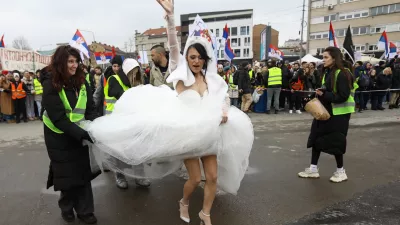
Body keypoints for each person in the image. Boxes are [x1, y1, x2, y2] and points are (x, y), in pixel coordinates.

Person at [87, 1, 253, 225]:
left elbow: (223, 95)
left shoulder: (211, 77)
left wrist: (224, 109)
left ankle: (205, 214)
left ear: (205, 59)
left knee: (213, 177)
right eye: (192, 57)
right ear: (187, 59)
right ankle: (184, 201)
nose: (196, 61)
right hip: (188, 134)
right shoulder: (181, 73)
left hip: (209, 133)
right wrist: (171, 18)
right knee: (195, 179)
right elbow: (174, 46)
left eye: (199, 57)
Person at [41, 45, 99, 224]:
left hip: (78, 134)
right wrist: (82, 134)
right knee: (66, 175)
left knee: (82, 174)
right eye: (70, 62)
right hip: (58, 137)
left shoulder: (83, 82)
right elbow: (58, 118)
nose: (74, 65)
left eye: (76, 61)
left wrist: (93, 128)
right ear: (60, 63)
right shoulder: (50, 84)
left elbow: (90, 109)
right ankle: (66, 207)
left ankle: (85, 211)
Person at [298, 47, 357, 183]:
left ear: (334, 58)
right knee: (316, 138)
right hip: (325, 111)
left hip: (339, 115)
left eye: (326, 57)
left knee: (336, 142)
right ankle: (313, 169)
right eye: (323, 57)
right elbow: (325, 90)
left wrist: (324, 94)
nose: (323, 60)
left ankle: (341, 171)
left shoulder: (343, 73)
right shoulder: (328, 72)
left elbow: (343, 96)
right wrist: (313, 96)